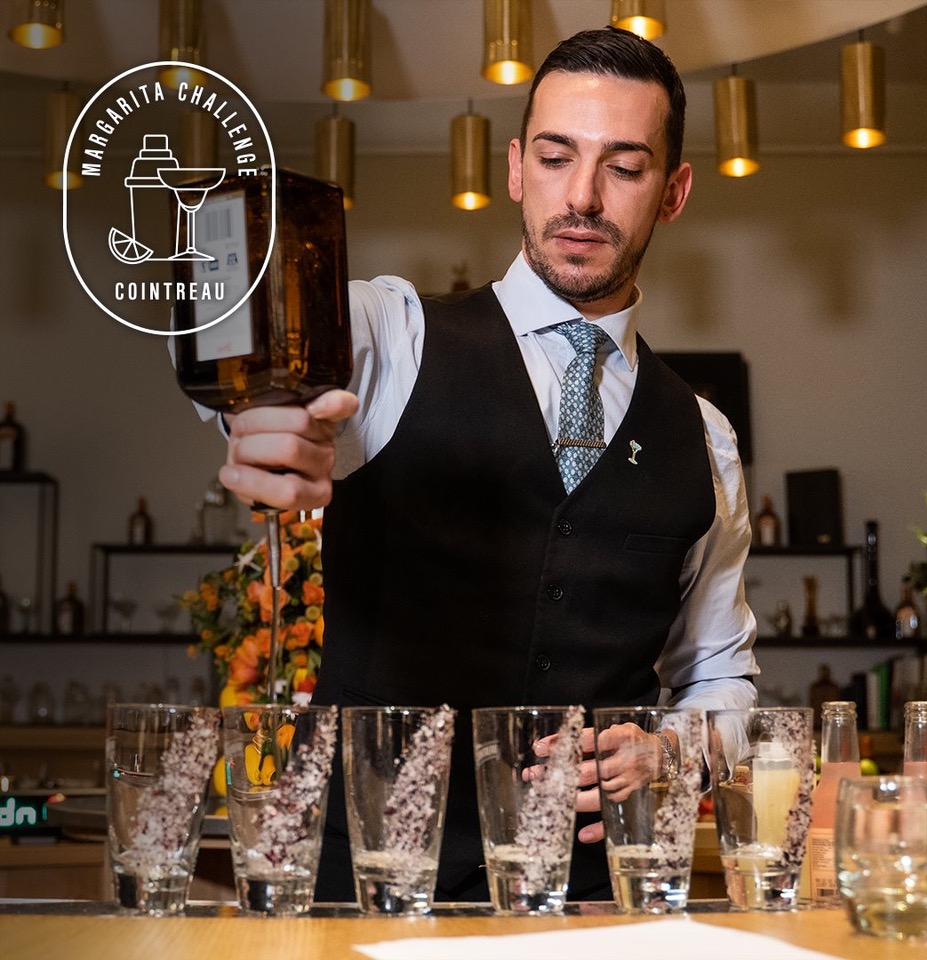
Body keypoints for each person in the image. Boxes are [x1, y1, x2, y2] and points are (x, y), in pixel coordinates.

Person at [216, 26, 759, 902]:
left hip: (587, 898)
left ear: (673, 192)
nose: (581, 196)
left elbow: (720, 675)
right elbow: (272, 337)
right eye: (555, 157)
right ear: (515, 168)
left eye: (624, 167)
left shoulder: (706, 440)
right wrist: (251, 402)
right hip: (361, 881)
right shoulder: (395, 334)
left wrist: (676, 748)